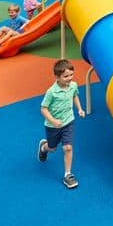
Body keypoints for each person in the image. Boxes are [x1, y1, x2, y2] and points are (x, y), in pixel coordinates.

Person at [37, 59, 86, 189]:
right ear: (57, 77)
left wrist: (80, 109)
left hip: (69, 121)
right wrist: (53, 120)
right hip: (53, 126)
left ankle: (68, 174)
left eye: (71, 75)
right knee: (52, 148)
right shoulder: (51, 92)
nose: (69, 78)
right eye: (66, 76)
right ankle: (44, 147)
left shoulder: (73, 86)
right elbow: (43, 108)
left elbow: (74, 96)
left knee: (67, 147)